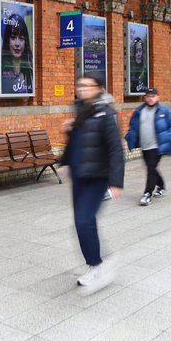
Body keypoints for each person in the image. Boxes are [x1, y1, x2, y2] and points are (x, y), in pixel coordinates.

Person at [60, 73, 124, 292]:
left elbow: (116, 148)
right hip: (79, 174)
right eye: (80, 85)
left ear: (99, 88)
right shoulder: (80, 110)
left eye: (88, 86)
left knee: (84, 220)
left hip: (97, 176)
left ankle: (98, 265)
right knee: (82, 222)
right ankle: (98, 262)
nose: (83, 89)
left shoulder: (106, 114)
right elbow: (80, 141)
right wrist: (67, 159)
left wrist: (116, 181)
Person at [124, 88, 171, 206]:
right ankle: (161, 185)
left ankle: (147, 194)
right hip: (145, 146)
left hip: (158, 146)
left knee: (151, 168)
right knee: (151, 168)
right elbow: (133, 127)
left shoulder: (164, 110)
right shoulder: (139, 111)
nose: (150, 98)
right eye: (148, 96)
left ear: (157, 97)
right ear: (145, 97)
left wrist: (170, 138)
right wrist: (130, 137)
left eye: (153, 96)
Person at [0, 12, 33, 95]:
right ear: (7, 40)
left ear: (26, 42)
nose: (17, 44)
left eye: (21, 38)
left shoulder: (30, 69)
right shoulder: (1, 69)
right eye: (13, 37)